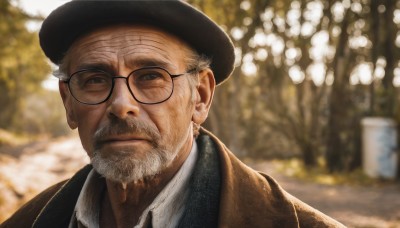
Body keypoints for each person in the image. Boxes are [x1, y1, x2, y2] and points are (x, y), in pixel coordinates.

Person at [1, 1, 345, 227]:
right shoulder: (28, 222)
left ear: (200, 97)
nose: (121, 104)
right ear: (69, 103)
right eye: (94, 80)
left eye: (151, 77)